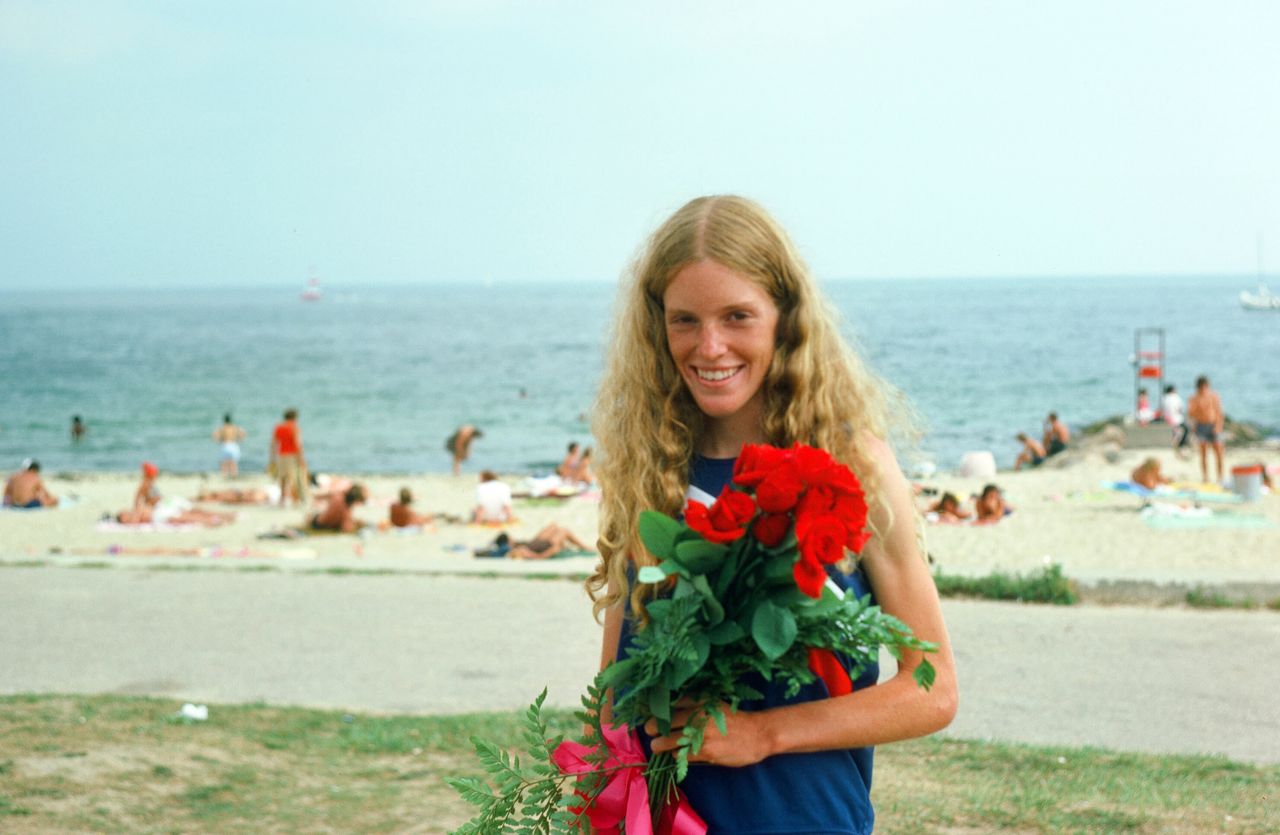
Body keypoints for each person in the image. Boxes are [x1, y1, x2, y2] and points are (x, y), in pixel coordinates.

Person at [586, 195, 957, 832]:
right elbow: (612, 702)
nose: (710, 346)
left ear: (784, 319)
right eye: (684, 321)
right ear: (657, 326)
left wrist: (764, 733)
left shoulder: (851, 465)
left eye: (738, 316)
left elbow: (933, 689)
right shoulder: (650, 470)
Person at [116, 461, 233, 526]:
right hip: (161, 506)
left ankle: (221, 516)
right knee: (189, 512)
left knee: (192, 510)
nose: (155, 475)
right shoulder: (144, 485)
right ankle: (219, 517)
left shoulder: (150, 483)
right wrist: (137, 511)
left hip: (164, 503)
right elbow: (137, 500)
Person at [1187, 375, 1226, 484]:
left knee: (1218, 452)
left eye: (1205, 387)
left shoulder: (1214, 396)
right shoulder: (1194, 398)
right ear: (1198, 387)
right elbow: (1191, 414)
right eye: (1201, 387)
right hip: (1201, 426)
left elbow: (1219, 412)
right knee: (1203, 453)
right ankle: (1205, 477)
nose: (1204, 389)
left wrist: (1218, 426)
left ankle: (1220, 477)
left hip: (1213, 425)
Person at [479, 523, 593, 560]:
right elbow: (536, 556)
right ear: (508, 542)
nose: (512, 539)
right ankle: (585, 547)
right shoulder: (516, 550)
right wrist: (550, 551)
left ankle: (569, 546)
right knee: (564, 531)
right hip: (543, 546)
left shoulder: (515, 545)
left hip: (536, 543)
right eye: (510, 539)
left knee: (554, 526)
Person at [270, 408, 307, 505]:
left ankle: (282, 499)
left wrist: (272, 458)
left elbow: (273, 443)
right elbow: (297, 443)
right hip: (292, 455)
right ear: (294, 417)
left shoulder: (278, 427)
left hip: (282, 455)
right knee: (296, 478)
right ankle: (297, 499)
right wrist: (301, 458)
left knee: (282, 478)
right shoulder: (294, 427)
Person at [213, 413, 247, 478]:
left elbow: (214, 435)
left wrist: (219, 440)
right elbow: (244, 433)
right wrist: (240, 439)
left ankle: (224, 476)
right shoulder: (234, 427)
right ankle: (234, 476)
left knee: (224, 463)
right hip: (233, 445)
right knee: (233, 463)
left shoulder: (222, 428)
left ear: (224, 420)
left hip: (225, 445)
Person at [1161, 384, 1191, 456]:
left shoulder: (1164, 398)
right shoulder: (1176, 397)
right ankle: (1182, 444)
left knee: (1177, 430)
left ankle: (1178, 442)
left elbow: (1162, 409)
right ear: (1173, 390)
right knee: (1187, 428)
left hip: (1167, 419)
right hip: (1177, 419)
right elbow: (1180, 409)